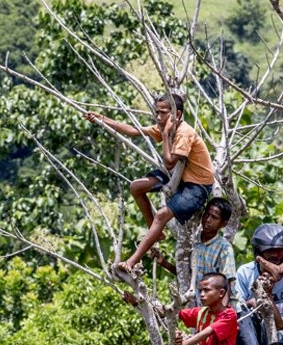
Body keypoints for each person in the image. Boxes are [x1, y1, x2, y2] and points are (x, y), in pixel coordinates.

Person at [85, 93, 215, 274]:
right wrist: (102, 119)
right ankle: (155, 231)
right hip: (179, 175)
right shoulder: (165, 126)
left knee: (162, 216)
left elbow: (169, 161)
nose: (159, 118)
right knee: (136, 187)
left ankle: (131, 261)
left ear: (177, 115)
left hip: (197, 185)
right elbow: (132, 130)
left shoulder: (185, 133)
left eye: (163, 113)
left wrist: (164, 134)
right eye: (157, 113)